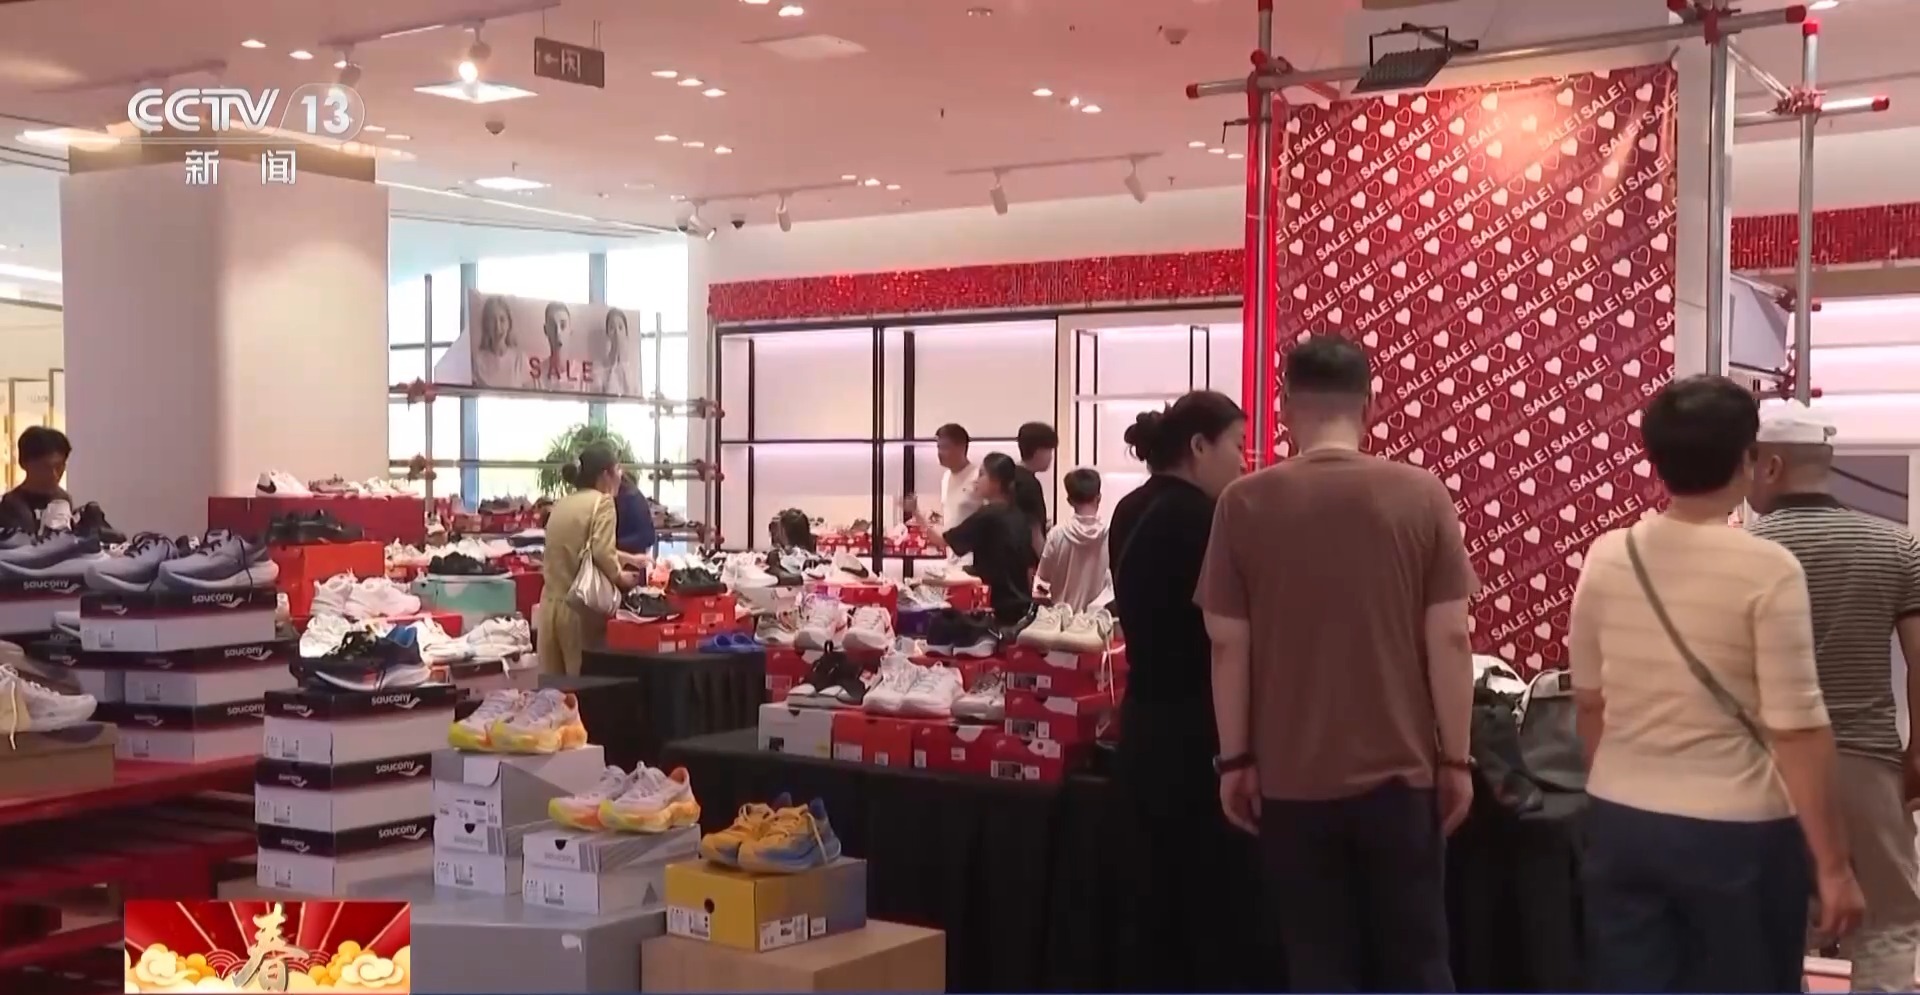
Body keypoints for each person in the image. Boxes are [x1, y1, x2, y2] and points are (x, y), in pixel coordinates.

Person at [1197, 334, 1474, 993]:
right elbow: (1451, 639)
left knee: (1319, 965)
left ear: (1284, 407)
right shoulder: (1422, 494)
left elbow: (1228, 644)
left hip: (1290, 782)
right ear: (1369, 405)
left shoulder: (1243, 503)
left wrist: (1235, 761)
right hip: (1402, 777)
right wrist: (1458, 759)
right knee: (1418, 963)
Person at [1571, 376, 1863, 992]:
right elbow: (1799, 731)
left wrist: (1622, 783)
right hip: (1738, 835)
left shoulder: (1608, 555)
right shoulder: (1767, 570)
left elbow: (1590, 701)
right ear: (1747, 460)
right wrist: (1834, 866)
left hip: (1622, 824)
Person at [1746, 401, 1917, 990]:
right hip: (1867, 762)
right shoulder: (1897, 545)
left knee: (1772, 921)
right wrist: (1917, 751)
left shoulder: (1747, 551)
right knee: (1889, 919)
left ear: (1770, 466)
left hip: (1766, 764)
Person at [1106, 390, 1256, 991]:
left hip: (1141, 721)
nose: (1244, 461)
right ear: (1199, 446)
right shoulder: (1206, 520)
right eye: (1238, 445)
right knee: (1206, 905)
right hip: (1198, 729)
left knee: (1150, 900)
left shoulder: (1128, 509)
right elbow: (1226, 638)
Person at [538, 443, 641, 676]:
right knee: (582, 688)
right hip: (579, 609)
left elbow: (580, 547)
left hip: (550, 608)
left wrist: (630, 558)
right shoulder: (603, 503)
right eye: (618, 469)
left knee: (552, 692)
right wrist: (621, 577)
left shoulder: (563, 504)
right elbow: (601, 552)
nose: (621, 475)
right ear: (606, 474)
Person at [941, 453, 1036, 625]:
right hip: (1021, 605)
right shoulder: (1019, 515)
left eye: (982, 474)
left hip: (995, 608)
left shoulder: (987, 515)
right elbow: (1029, 568)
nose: (976, 480)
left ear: (996, 482)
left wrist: (916, 514)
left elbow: (945, 541)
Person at [1035, 468, 1109, 612]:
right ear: (1099, 498)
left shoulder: (1057, 535)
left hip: (1062, 619)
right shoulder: (1109, 534)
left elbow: (1042, 581)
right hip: (1097, 620)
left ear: (1069, 501)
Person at [0, 426, 72, 534]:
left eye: (59, 467)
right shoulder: (10, 505)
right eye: (45, 467)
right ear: (24, 464)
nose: (54, 475)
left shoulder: (63, 499)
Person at [1013, 421, 1056, 553]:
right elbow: (1034, 531)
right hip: (1024, 556)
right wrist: (1045, 559)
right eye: (1050, 451)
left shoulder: (1011, 475)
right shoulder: (1029, 484)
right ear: (1039, 452)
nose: (1051, 457)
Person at [472, 295, 526, 389]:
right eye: (492, 320)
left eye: (502, 320)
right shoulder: (477, 361)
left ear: (509, 323)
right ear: (486, 325)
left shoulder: (520, 359)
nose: (498, 327)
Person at [932, 423, 980, 530]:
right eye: (938, 447)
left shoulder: (978, 477)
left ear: (961, 448)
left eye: (945, 447)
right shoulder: (946, 477)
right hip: (948, 539)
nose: (940, 453)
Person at [613, 470, 657, 565]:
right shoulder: (628, 493)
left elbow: (647, 536)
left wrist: (612, 543)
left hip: (631, 557)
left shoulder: (629, 496)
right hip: (629, 555)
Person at [597, 309, 640, 396]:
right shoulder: (600, 367)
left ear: (626, 332)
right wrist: (612, 366)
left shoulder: (635, 368)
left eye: (620, 327)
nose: (617, 333)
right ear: (607, 334)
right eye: (612, 328)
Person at [539, 302, 572, 387]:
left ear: (570, 330)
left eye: (563, 325)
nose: (558, 333)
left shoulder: (583, 376)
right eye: (552, 326)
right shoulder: (536, 376)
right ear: (545, 330)